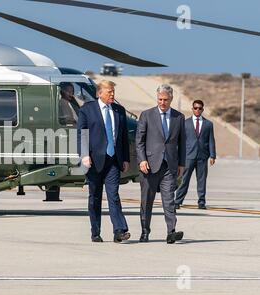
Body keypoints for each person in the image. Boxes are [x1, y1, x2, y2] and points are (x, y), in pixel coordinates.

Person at [77, 80, 131, 243]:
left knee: (113, 195)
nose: (112, 94)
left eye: (113, 91)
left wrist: (126, 158)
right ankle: (95, 231)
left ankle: (119, 231)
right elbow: (81, 134)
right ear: (99, 93)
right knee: (95, 197)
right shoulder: (87, 109)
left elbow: (123, 138)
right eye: (109, 92)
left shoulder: (119, 110)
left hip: (113, 160)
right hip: (93, 160)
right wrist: (84, 155)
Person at [136, 84, 186, 244]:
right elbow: (139, 141)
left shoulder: (179, 117)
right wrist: (142, 159)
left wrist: (182, 163)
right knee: (147, 200)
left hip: (169, 165)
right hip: (150, 165)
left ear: (170, 99)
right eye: (160, 99)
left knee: (169, 200)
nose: (162, 102)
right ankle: (145, 232)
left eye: (165, 99)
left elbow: (182, 142)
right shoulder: (147, 115)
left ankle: (171, 232)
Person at [175, 100, 216, 210]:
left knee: (202, 180)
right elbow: (181, 141)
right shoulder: (185, 123)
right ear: (192, 109)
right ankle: (178, 201)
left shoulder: (208, 124)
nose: (197, 110)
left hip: (202, 156)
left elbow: (211, 140)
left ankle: (201, 202)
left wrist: (213, 155)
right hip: (188, 156)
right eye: (195, 108)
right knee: (184, 180)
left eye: (200, 108)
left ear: (203, 109)